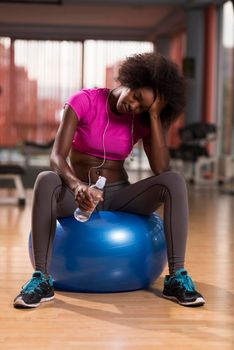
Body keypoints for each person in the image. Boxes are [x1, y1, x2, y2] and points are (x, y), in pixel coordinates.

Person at [13, 52, 205, 308]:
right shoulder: (84, 101)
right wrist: (77, 186)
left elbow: (161, 168)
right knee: (46, 179)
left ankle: (177, 277)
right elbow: (57, 157)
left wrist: (155, 116)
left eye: (143, 106)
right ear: (129, 80)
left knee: (174, 181)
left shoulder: (143, 118)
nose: (134, 106)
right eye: (136, 96)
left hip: (118, 195)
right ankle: (41, 278)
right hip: (77, 197)